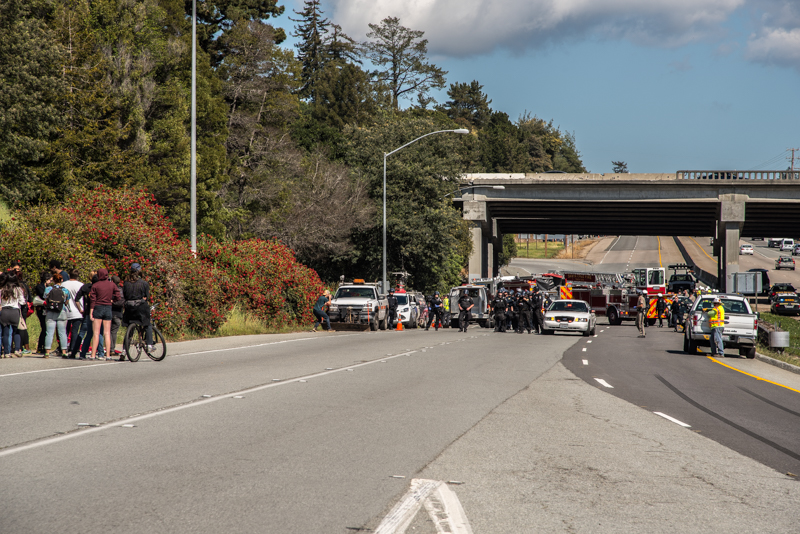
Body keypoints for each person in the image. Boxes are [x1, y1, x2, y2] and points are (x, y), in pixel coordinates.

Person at [89, 268, 122, 360]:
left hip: (98, 307)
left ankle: (93, 355)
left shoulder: (95, 285)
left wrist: (91, 311)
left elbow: (92, 299)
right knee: (107, 333)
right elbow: (118, 296)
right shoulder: (112, 285)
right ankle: (108, 355)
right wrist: (112, 300)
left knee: (96, 333)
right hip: (108, 307)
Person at [122, 263, 154, 347]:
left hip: (129, 307)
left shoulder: (126, 283)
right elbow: (147, 296)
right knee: (147, 324)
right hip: (140, 307)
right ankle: (149, 344)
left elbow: (125, 296)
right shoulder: (143, 283)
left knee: (130, 328)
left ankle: (125, 350)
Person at [43, 273, 72, 358]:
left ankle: (47, 352)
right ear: (61, 280)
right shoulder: (65, 290)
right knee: (62, 332)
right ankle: (64, 352)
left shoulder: (48, 289)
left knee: (49, 333)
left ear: (53, 280)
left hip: (50, 312)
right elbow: (66, 302)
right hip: (62, 311)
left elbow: (46, 300)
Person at [1, 273, 26, 357]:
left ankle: (7, 352)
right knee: (16, 331)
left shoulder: (2, 289)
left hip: (4, 311)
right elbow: (22, 302)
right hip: (15, 311)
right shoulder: (18, 289)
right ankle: (17, 349)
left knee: (6, 332)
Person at [62, 269, 85, 359]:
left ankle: (63, 348)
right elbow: (81, 299)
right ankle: (73, 348)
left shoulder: (64, 284)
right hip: (77, 311)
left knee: (64, 331)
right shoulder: (80, 285)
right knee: (75, 331)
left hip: (65, 310)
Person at [109, 275, 125, 360]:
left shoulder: (111, 289)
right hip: (118, 313)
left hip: (110, 311)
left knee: (108, 331)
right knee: (114, 332)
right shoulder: (122, 290)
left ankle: (109, 349)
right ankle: (112, 349)